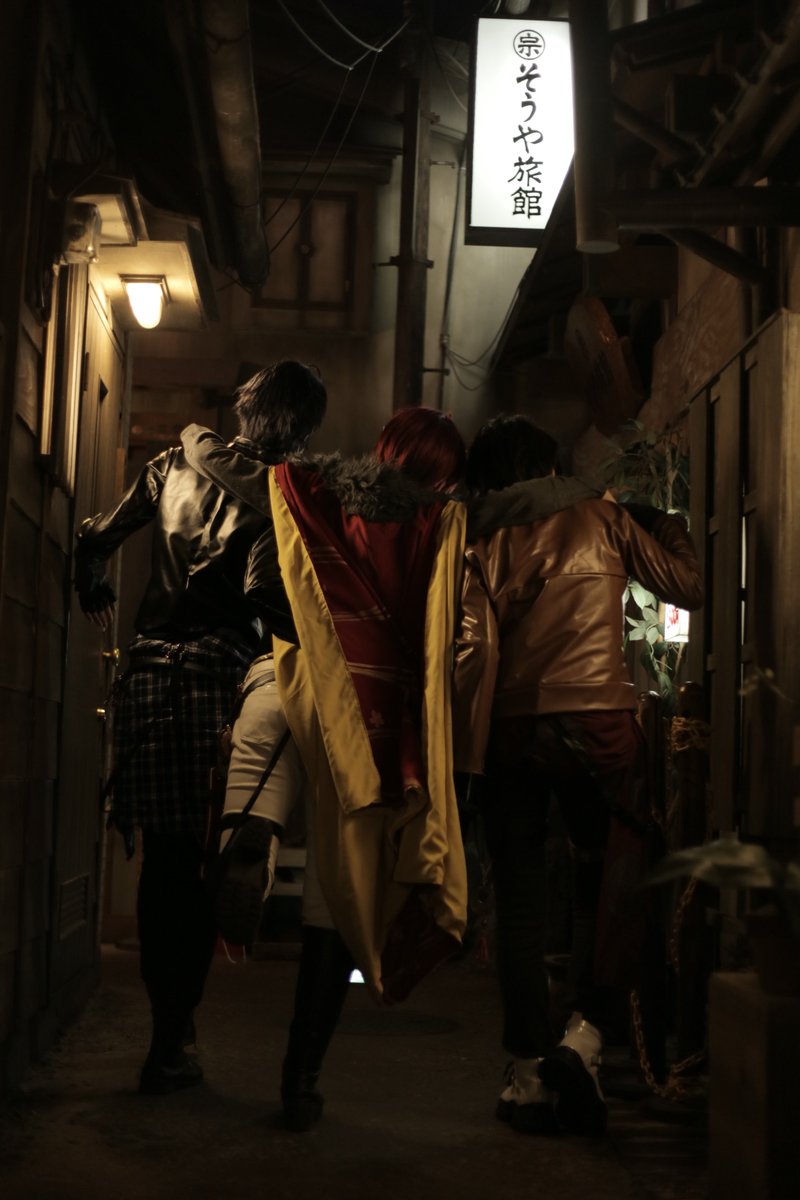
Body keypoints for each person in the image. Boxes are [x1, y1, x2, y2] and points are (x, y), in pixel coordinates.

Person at [72, 360, 326, 1095]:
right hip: (222, 680)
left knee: (162, 863)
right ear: (303, 429)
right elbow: (262, 592)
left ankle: (167, 1038)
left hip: (149, 675)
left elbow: (95, 536)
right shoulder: (281, 493)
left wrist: (94, 587)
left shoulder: (170, 463)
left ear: (246, 410)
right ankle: (180, 1027)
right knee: (212, 856)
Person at [453, 414, 704, 1138]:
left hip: (513, 729)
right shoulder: (604, 517)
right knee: (615, 873)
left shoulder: (479, 539)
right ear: (550, 465)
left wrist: (467, 755)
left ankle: (528, 1075)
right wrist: (660, 519)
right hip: (600, 721)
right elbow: (688, 585)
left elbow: (474, 654)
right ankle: (586, 1039)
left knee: (520, 899)